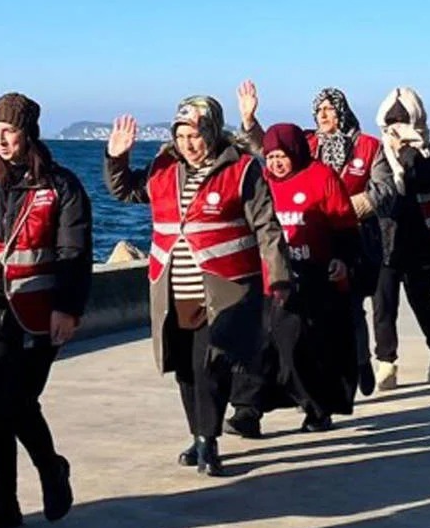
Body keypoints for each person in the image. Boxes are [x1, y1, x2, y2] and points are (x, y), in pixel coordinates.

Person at [104, 96, 291, 476]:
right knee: (185, 368)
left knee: (210, 364)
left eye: (196, 134)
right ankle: (198, 434)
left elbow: (267, 228)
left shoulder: (241, 169)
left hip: (226, 288)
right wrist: (117, 159)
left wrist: (280, 278)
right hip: (173, 288)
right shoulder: (163, 167)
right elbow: (125, 192)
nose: (188, 143)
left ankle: (209, 440)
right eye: (182, 134)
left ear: (213, 131)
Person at [0, 93, 92, 528]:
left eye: (9, 130)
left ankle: (51, 468)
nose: (2, 139)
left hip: (40, 311)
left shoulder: (61, 186)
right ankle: (2, 502)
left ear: (28, 132)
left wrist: (68, 309)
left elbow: (75, 252)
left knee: (20, 402)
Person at [236, 82, 382, 396]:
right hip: (303, 236)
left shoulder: (368, 145)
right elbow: (271, 149)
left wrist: (355, 205)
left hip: (350, 231)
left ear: (343, 111)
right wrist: (250, 121)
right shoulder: (307, 143)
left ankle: (360, 360)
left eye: (329, 108)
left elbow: (384, 188)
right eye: (319, 109)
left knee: (351, 307)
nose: (323, 115)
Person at [225, 124, 358, 436]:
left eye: (281, 156)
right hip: (268, 277)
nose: (275, 163)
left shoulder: (321, 177)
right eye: (270, 157)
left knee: (296, 347)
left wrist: (343, 259)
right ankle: (247, 411)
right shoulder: (260, 182)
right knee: (255, 345)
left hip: (312, 278)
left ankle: (316, 408)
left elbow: (346, 226)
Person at [368, 87, 430, 389]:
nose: (397, 125)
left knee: (421, 299)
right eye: (391, 119)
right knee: (384, 302)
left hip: (422, 236)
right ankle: (386, 361)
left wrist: (407, 153)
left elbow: (427, 178)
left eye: (403, 118)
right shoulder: (379, 151)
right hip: (386, 238)